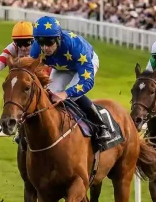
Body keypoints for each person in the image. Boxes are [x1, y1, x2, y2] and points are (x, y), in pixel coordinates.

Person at [29, 15, 110, 146]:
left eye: (49, 43)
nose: (45, 48)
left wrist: (66, 93)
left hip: (85, 64)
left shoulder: (75, 46)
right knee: (49, 96)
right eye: (41, 43)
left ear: (58, 38)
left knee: (72, 96)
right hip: (61, 67)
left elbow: (87, 81)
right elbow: (29, 71)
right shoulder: (37, 47)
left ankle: (101, 126)